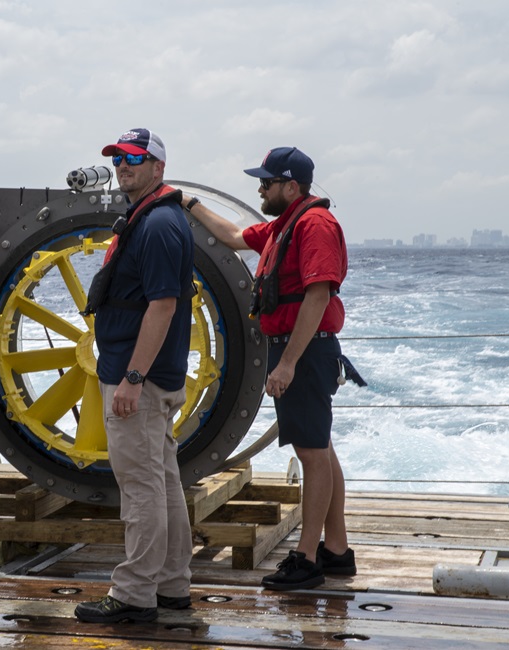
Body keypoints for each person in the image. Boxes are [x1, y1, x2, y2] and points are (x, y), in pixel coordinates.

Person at [181, 146, 359, 590]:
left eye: (267, 182)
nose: (259, 188)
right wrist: (189, 203)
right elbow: (234, 235)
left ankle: (307, 559)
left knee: (312, 455)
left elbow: (317, 296)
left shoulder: (314, 224)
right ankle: (336, 550)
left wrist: (288, 364)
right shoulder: (286, 225)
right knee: (321, 447)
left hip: (305, 350)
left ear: (291, 186)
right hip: (301, 349)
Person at [74, 129, 196, 623]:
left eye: (134, 158)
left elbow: (162, 307)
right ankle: (170, 586)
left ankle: (133, 595)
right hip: (149, 375)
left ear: (158, 168)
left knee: (141, 488)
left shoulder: (158, 226)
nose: (123, 166)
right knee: (162, 482)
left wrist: (132, 376)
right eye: (118, 158)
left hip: (139, 381)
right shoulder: (156, 219)